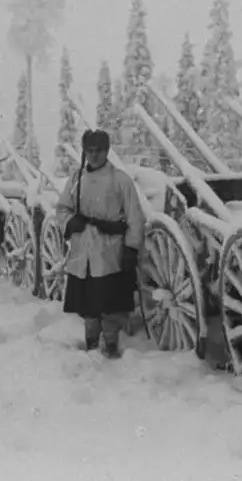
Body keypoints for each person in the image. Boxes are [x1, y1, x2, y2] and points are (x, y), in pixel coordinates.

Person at [56, 129, 145, 359]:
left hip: (109, 250)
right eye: (90, 151)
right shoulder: (76, 180)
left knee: (110, 302)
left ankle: (112, 345)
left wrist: (131, 248)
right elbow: (62, 208)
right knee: (88, 304)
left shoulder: (120, 180)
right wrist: (69, 222)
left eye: (99, 151)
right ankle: (91, 344)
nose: (94, 156)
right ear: (84, 152)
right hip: (83, 248)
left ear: (107, 151)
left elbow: (135, 216)